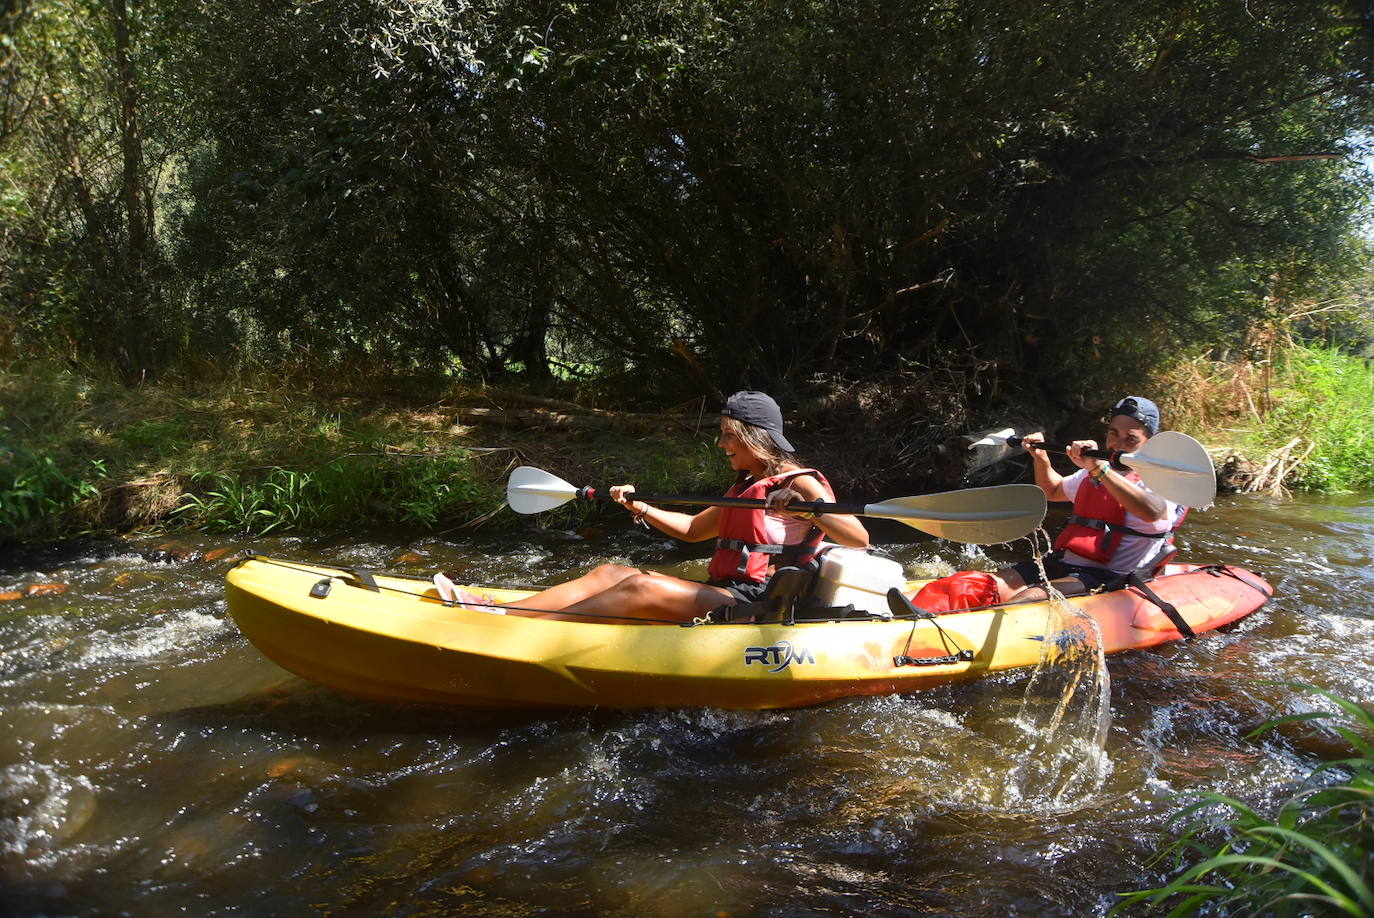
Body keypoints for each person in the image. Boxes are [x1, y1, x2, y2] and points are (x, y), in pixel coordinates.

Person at [437, 390, 870, 623]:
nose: (721, 444)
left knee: (639, 588)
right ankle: (503, 611)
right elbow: (693, 531)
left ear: (754, 436)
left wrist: (808, 511)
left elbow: (859, 538)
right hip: (731, 591)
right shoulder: (748, 484)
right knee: (611, 573)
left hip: (759, 603)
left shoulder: (802, 483)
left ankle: (529, 626)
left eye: (728, 435)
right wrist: (641, 507)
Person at [990, 396, 1187, 603]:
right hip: (1064, 564)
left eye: (1130, 438)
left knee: (1027, 598)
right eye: (1114, 434)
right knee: (980, 586)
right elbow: (1053, 490)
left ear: (1149, 443)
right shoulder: (1093, 472)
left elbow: (1153, 511)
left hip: (1109, 577)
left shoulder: (1161, 480)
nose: (1118, 444)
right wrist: (1040, 457)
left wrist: (1096, 468)